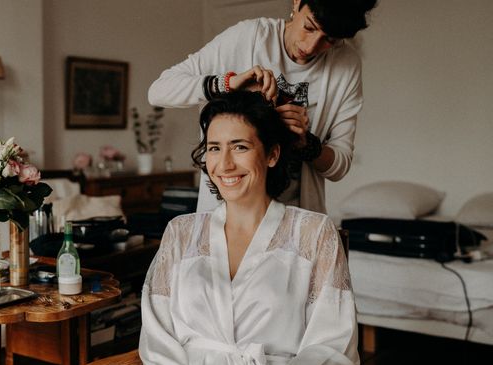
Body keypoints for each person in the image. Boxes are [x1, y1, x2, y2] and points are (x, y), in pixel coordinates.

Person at [89, 91, 359, 365]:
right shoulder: (181, 233)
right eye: (214, 148)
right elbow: (157, 331)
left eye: (240, 146)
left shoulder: (313, 233)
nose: (224, 163)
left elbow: (334, 344)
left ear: (271, 154)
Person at [149, 0, 378, 214]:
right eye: (309, 27)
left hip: (297, 215)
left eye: (330, 40)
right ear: (297, 2)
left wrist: (306, 143)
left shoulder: (346, 65)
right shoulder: (249, 37)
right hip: (227, 213)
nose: (310, 47)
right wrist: (227, 83)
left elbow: (339, 166)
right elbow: (158, 91)